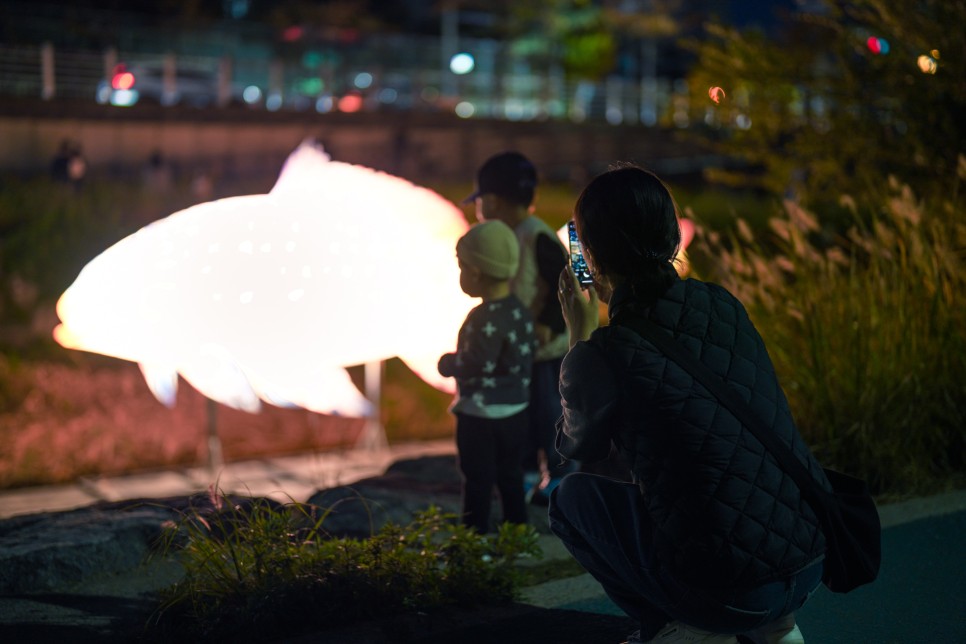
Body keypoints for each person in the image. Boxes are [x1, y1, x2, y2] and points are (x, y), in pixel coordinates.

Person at [550, 164, 829, 644]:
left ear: (589, 257)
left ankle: (677, 627)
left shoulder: (604, 352)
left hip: (726, 589)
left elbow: (576, 446)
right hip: (807, 566)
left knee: (568, 499)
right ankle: (768, 626)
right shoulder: (722, 304)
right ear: (672, 235)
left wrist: (580, 332)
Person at [464, 151, 574, 503]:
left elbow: (565, 283)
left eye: (480, 200)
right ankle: (525, 473)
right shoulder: (507, 236)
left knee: (549, 416)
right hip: (517, 352)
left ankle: (558, 476)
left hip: (543, 352)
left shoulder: (535, 236)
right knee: (519, 417)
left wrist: (548, 324)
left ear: (492, 201)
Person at [438, 220, 538, 533]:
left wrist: (448, 364)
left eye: (462, 267)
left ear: (476, 273)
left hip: (479, 415)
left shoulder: (482, 318)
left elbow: (476, 363)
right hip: (516, 411)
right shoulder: (519, 310)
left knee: (477, 479)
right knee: (511, 476)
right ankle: (517, 535)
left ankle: (475, 538)